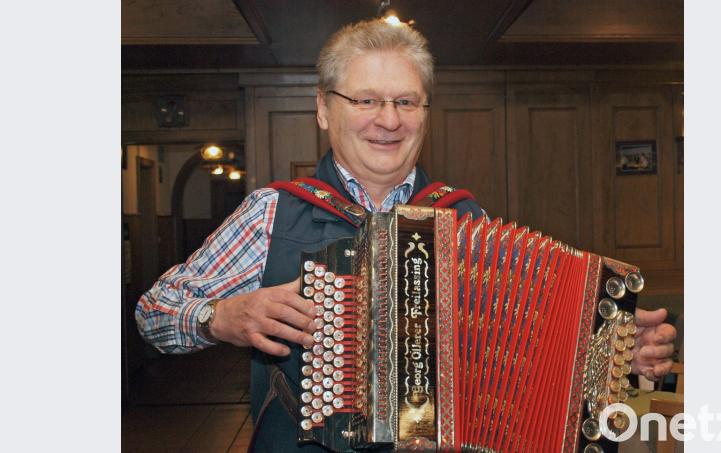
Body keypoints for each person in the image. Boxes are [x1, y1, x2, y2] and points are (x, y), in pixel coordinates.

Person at [136, 18, 676, 451]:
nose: (388, 120)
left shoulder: (465, 220)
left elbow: (525, 357)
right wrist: (218, 317)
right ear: (324, 109)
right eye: (366, 100)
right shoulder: (271, 212)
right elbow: (153, 313)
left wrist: (611, 356)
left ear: (424, 113)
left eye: (406, 101)